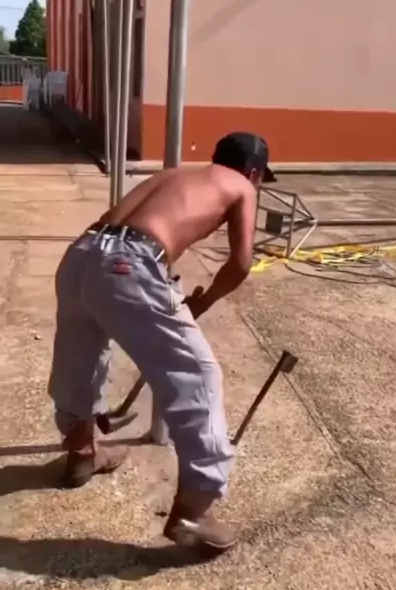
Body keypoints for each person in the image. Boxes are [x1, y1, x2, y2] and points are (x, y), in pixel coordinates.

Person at [48, 131, 275, 554]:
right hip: (128, 263)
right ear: (254, 171)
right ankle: (194, 511)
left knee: (80, 354)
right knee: (197, 375)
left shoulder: (176, 174)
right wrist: (205, 300)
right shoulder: (241, 185)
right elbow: (241, 262)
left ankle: (81, 452)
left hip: (82, 253)